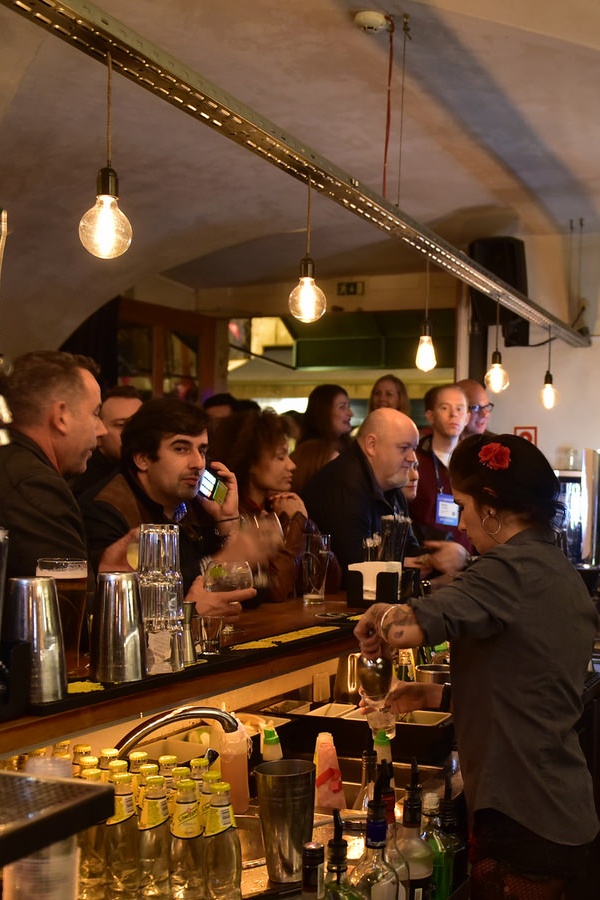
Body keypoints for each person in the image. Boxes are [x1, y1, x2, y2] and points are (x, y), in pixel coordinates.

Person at [354, 433, 599, 899]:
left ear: (490, 507)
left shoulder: (506, 569)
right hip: (559, 807)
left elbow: (413, 625)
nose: (462, 524)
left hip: (525, 817)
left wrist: (381, 619)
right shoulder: (555, 568)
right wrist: (434, 696)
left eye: (462, 505)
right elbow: (528, 685)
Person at [79, 398, 258, 622]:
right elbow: (129, 613)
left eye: (202, 451)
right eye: (181, 449)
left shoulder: (198, 504)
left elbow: (252, 594)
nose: (198, 463)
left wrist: (227, 521)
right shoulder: (105, 510)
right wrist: (225, 558)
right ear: (143, 459)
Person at [301, 408, 469, 581]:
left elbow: (409, 550)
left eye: (414, 449)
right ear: (371, 445)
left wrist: (443, 557)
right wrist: (408, 564)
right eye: (404, 448)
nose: (412, 458)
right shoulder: (343, 484)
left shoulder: (392, 486)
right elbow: (357, 569)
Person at [209, 409, 341, 602]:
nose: (291, 465)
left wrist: (305, 522)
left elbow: (330, 582)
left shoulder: (281, 507)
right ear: (251, 462)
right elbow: (275, 589)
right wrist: (294, 524)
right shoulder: (233, 516)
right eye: (281, 457)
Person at [0, 350, 107, 578]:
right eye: (95, 414)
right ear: (61, 417)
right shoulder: (34, 485)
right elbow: (67, 607)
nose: (102, 430)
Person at [409, 384, 473, 554]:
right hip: (424, 557)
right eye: (445, 408)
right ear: (430, 416)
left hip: (466, 562)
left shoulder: (474, 463)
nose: (454, 414)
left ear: (467, 418)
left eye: (460, 409)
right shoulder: (413, 460)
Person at [70, 385, 143, 496]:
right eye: (121, 425)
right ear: (98, 432)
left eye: (140, 424)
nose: (134, 432)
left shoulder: (146, 474)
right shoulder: (85, 486)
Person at [296, 384, 354, 454]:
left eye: (349, 406)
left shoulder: (349, 447)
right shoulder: (311, 452)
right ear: (324, 412)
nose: (350, 413)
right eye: (342, 407)